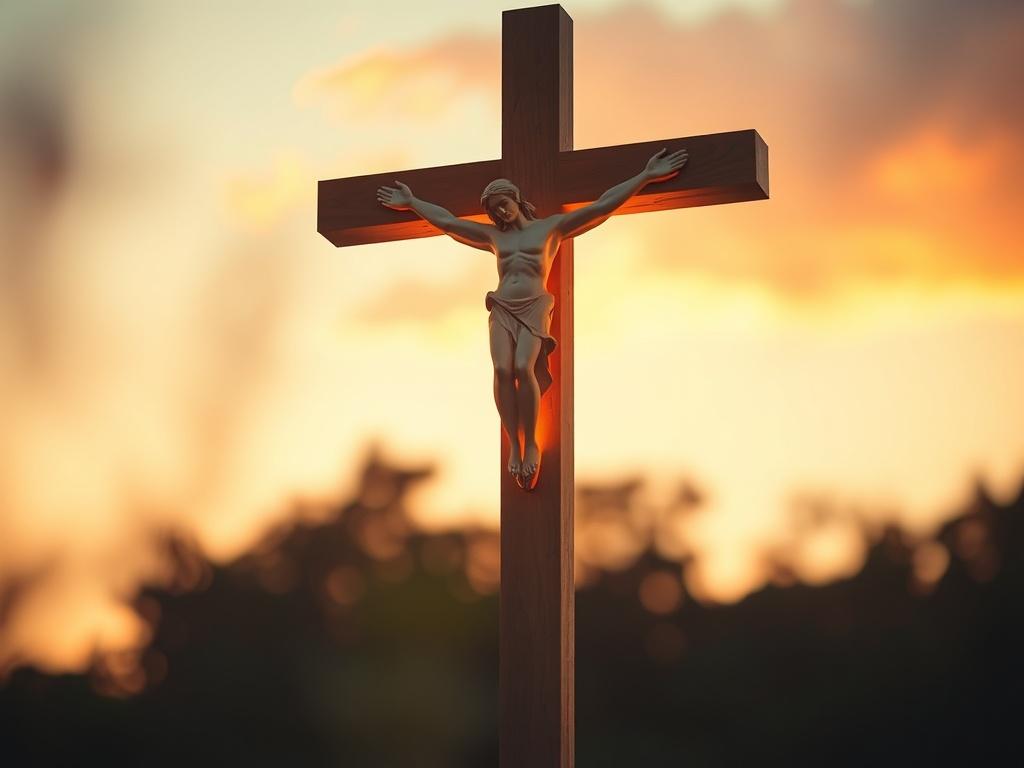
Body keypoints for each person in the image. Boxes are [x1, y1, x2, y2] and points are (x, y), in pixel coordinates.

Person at [376, 147, 688, 490]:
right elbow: (450, 223)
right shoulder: (494, 237)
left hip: (535, 304)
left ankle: (533, 443)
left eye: (503, 204)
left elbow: (601, 207)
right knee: (501, 370)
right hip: (502, 306)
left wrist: (645, 176)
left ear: (516, 198)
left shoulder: (550, 229)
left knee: (524, 367)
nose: (500, 212)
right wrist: (412, 202)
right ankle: (515, 446)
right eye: (494, 210)